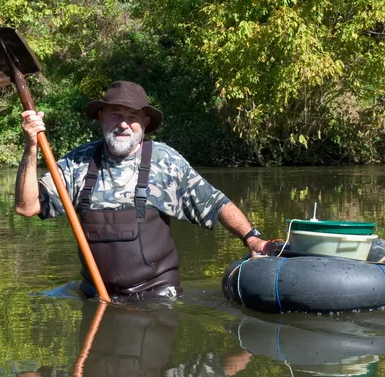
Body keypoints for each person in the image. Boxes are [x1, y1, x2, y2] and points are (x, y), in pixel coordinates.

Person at [14, 80, 274, 300]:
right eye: (116, 114)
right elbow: (27, 207)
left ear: (145, 123)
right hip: (97, 297)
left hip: (156, 297)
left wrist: (251, 238)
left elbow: (216, 204)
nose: (123, 124)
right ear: (102, 117)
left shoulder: (165, 161)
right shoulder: (78, 162)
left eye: (132, 117)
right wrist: (31, 147)